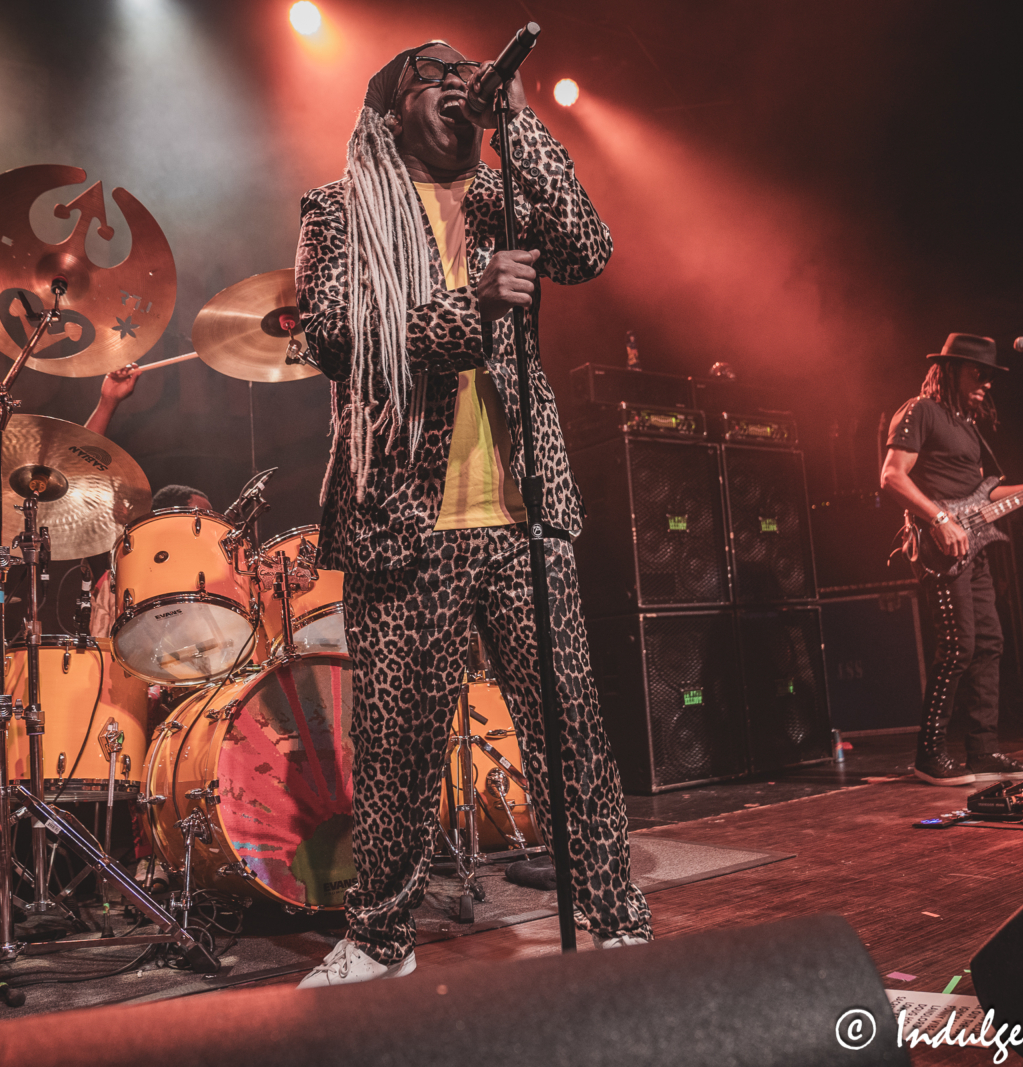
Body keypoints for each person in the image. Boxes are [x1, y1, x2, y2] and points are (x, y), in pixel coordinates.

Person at [292, 41, 652, 986]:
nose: (458, 82)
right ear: (388, 107)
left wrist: (521, 118)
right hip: (400, 521)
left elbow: (586, 246)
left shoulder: (502, 197)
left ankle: (617, 915)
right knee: (398, 749)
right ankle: (377, 939)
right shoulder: (339, 211)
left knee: (570, 731)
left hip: (523, 515)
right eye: (433, 74)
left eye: (467, 72)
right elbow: (337, 336)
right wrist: (471, 306)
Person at [879, 333, 1023, 786]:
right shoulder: (920, 410)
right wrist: (938, 519)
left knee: (989, 643)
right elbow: (892, 477)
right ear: (950, 370)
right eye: (979, 373)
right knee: (958, 646)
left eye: (991, 376)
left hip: (975, 547)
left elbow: (984, 497)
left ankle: (983, 752)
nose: (987, 383)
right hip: (941, 546)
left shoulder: (967, 425)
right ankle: (929, 756)